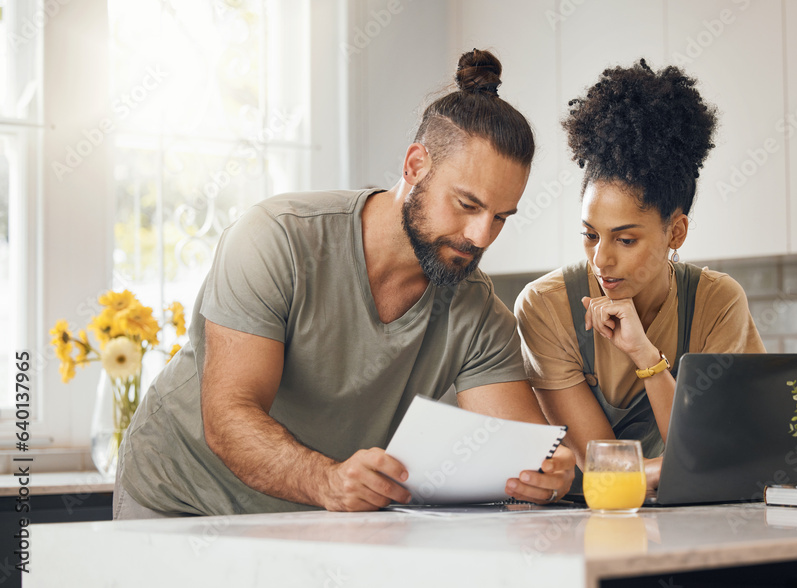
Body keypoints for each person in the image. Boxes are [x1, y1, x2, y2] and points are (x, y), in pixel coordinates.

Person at [114, 49, 575, 518]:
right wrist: (327, 481)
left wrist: (547, 473)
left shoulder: (478, 313)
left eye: (500, 218)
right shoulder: (276, 239)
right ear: (415, 166)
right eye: (467, 205)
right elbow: (229, 417)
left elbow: (524, 452)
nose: (481, 237)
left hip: (306, 516)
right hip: (177, 497)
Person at [514, 60, 764, 493]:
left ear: (676, 231)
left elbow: (711, 457)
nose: (601, 260)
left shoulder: (718, 303)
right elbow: (605, 469)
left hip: (696, 524)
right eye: (590, 235)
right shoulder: (546, 307)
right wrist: (665, 469)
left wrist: (646, 356)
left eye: (625, 240)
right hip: (582, 529)